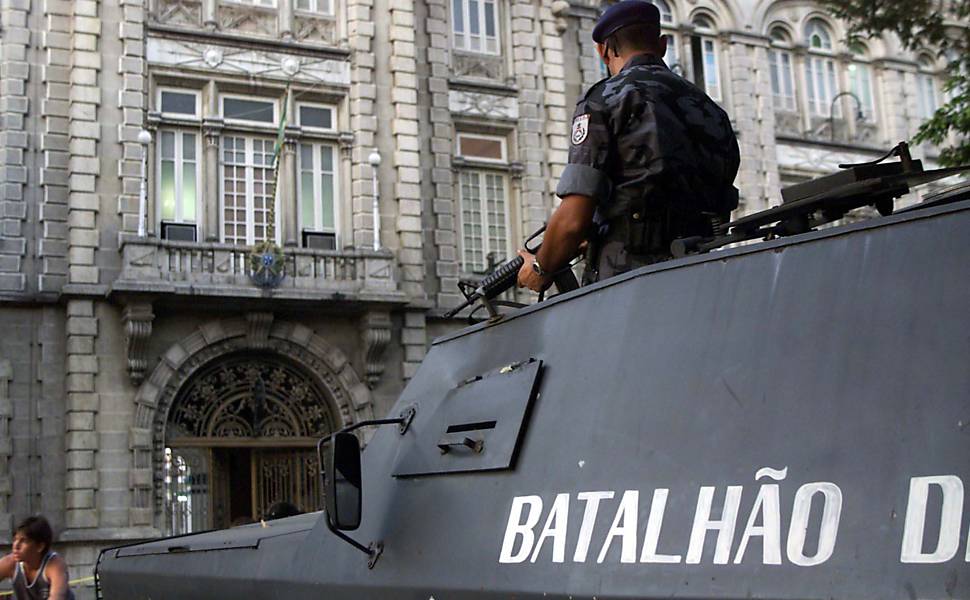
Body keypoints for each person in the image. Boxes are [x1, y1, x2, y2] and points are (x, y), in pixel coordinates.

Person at [517, 0, 740, 291]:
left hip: (629, 284)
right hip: (704, 279)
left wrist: (540, 267)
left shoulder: (605, 99)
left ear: (603, 51)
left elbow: (573, 218)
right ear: (662, 45)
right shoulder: (712, 111)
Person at [0, 516, 75, 600]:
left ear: (40, 546)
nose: (16, 546)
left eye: (23, 541)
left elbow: (57, 596)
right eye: (15, 540)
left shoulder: (55, 565)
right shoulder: (9, 563)